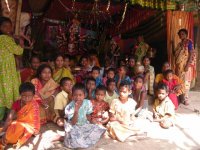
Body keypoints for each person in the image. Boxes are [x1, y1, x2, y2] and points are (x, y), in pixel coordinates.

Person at [64, 83, 106, 148]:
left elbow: (88, 116)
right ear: (72, 96)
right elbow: (73, 123)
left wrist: (95, 123)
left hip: (84, 124)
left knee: (100, 129)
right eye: (75, 95)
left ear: (84, 95)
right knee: (75, 138)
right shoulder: (69, 107)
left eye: (80, 95)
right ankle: (72, 138)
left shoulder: (88, 103)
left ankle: (80, 138)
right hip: (74, 126)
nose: (78, 97)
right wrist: (76, 110)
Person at [0, 82, 40, 149]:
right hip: (17, 122)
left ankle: (6, 139)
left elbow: (34, 122)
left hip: (29, 126)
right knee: (11, 126)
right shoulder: (16, 103)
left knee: (16, 129)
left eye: (29, 96)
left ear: (33, 95)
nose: (27, 98)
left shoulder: (34, 105)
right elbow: (9, 118)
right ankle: (5, 136)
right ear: (20, 94)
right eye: (24, 96)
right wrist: (4, 131)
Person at [0, 16, 24, 121]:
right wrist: (21, 43)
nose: (8, 29)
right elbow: (19, 51)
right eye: (5, 26)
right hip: (7, 70)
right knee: (8, 90)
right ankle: (8, 116)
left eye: (9, 26)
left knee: (1, 90)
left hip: (2, 69)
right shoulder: (6, 39)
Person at [174, 28, 196, 104]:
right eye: (180, 34)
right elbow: (176, 55)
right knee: (179, 81)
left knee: (186, 82)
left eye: (183, 34)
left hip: (186, 65)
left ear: (186, 35)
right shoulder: (179, 44)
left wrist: (187, 65)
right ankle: (180, 97)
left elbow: (191, 53)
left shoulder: (189, 42)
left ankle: (186, 98)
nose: (181, 35)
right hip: (179, 66)